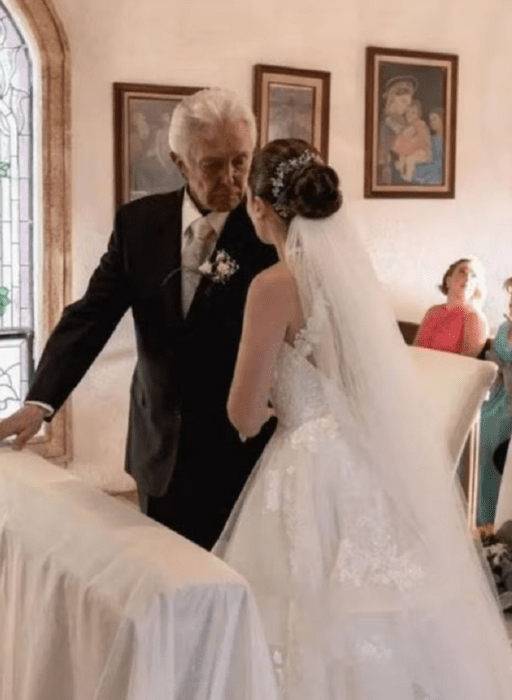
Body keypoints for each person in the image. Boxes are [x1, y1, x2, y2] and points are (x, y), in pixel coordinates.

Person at [213, 138, 512, 699]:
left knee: (298, 615)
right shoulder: (356, 279)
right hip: (366, 456)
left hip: (305, 462)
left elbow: (243, 411)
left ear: (258, 206)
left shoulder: (272, 287)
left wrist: (268, 412)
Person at [0, 88, 277, 550]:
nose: (233, 179)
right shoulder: (139, 223)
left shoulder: (270, 232)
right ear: (179, 162)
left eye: (241, 161)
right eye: (213, 164)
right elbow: (90, 317)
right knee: (164, 585)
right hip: (159, 449)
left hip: (243, 452)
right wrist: (39, 403)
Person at [478, 277, 512, 525]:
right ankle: (480, 518)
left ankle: (498, 520)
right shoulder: (502, 328)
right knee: (479, 427)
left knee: (499, 432)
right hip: (497, 394)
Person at [413, 257, 489, 357]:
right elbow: (416, 349)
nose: (468, 278)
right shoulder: (433, 311)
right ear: (448, 281)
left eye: (474, 276)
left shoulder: (475, 318)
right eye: (463, 271)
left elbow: (466, 362)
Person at [391, 100, 432, 182]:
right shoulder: (404, 128)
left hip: (421, 152)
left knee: (410, 158)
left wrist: (408, 150)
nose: (410, 115)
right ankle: (401, 174)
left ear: (418, 115)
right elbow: (397, 144)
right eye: (408, 112)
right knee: (401, 158)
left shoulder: (420, 125)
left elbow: (422, 142)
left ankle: (408, 177)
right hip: (408, 151)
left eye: (413, 113)